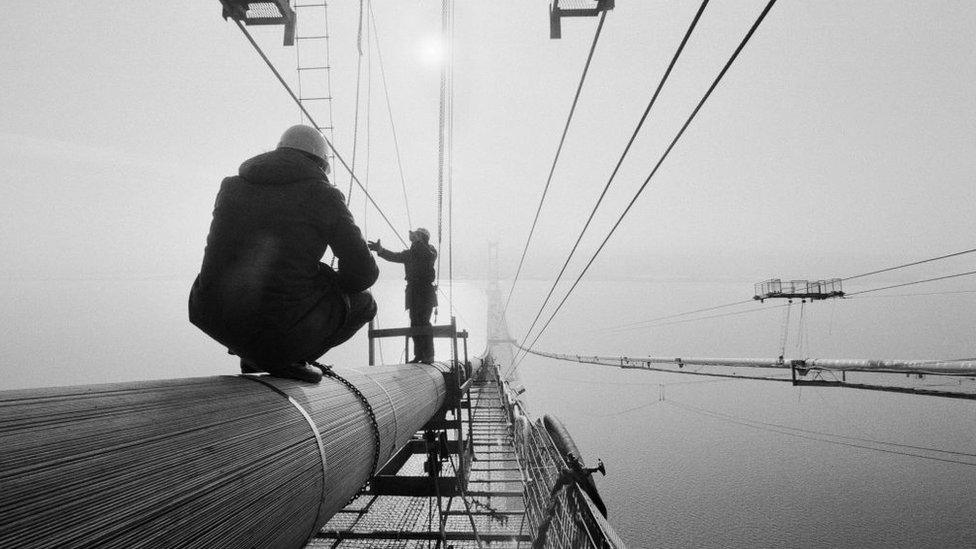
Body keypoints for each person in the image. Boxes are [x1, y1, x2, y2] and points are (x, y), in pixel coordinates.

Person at [188, 125, 378, 383]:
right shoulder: (323, 194)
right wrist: (331, 282)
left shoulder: (231, 186)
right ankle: (289, 358)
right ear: (321, 165)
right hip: (275, 329)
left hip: (209, 312)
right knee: (365, 303)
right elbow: (364, 274)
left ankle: (255, 354)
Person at [367, 229, 437, 363]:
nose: (413, 236)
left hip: (425, 291)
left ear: (423, 239)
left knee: (424, 322)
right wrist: (380, 250)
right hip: (413, 292)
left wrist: (417, 241)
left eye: (418, 235)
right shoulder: (409, 254)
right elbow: (393, 256)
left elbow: (426, 255)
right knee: (414, 323)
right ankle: (419, 355)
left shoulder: (431, 251)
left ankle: (429, 355)